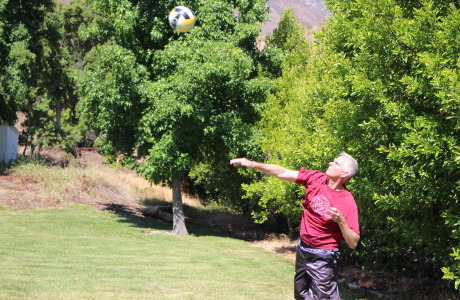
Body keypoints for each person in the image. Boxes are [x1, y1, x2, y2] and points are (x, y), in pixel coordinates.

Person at [230, 152, 360, 300]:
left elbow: (353, 242)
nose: (330, 163)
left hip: (324, 256)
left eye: (336, 163)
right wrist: (252, 164)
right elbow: (282, 172)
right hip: (303, 249)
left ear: (345, 173)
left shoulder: (347, 201)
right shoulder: (316, 178)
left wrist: (341, 222)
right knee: (301, 295)